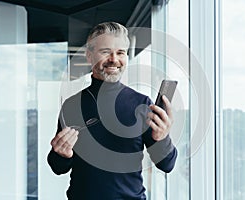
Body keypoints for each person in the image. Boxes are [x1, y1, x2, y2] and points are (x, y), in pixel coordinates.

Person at [47, 22, 177, 200]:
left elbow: (167, 165)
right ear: (89, 56)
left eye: (120, 52)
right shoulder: (71, 105)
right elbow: (58, 167)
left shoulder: (142, 104)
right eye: (105, 51)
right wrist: (61, 154)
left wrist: (162, 139)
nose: (114, 59)